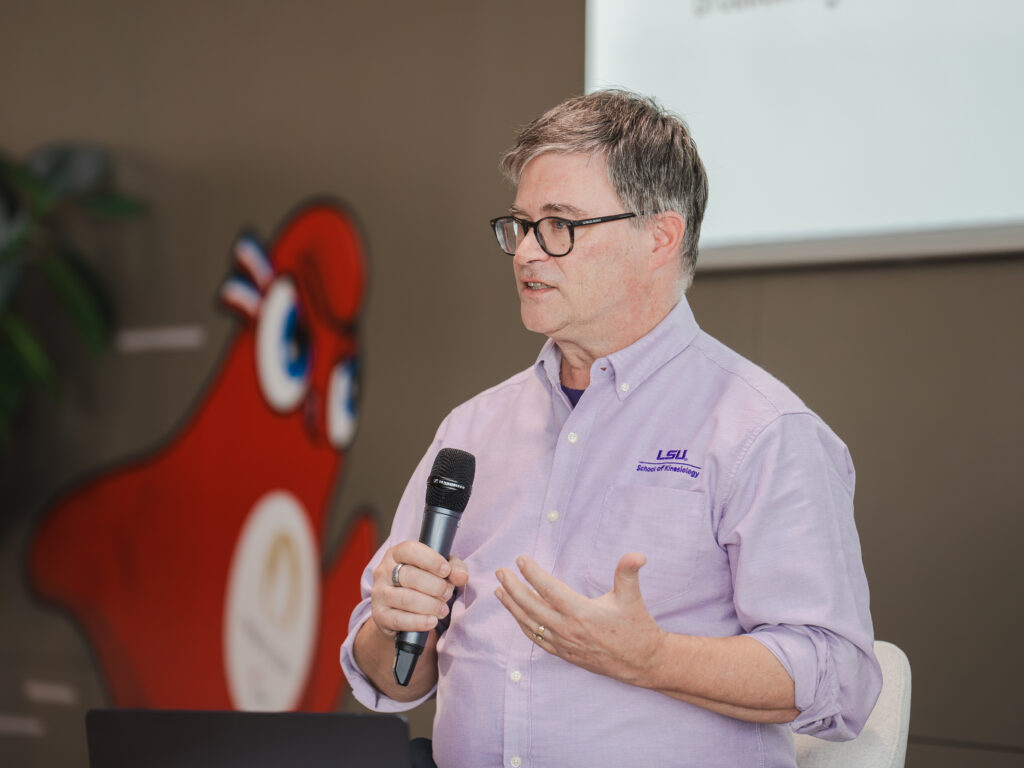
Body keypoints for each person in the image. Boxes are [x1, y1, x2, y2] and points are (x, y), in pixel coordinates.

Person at [340, 90, 882, 768]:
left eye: (559, 225)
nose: (526, 253)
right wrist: (394, 623)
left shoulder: (763, 430)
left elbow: (839, 677)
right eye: (520, 225)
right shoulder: (473, 429)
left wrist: (652, 659)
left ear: (660, 237)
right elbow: (394, 680)